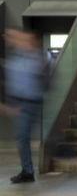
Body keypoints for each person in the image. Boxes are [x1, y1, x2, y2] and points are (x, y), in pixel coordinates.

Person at [1, 29, 46, 183]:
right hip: (18, 102)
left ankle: (28, 171)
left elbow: (44, 77)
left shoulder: (35, 57)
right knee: (22, 137)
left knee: (22, 137)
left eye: (14, 36)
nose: (11, 39)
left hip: (30, 102)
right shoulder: (14, 58)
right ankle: (27, 170)